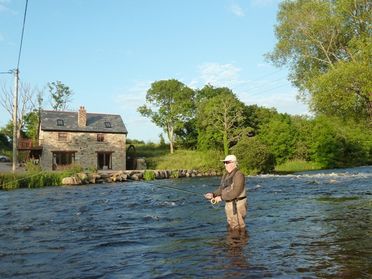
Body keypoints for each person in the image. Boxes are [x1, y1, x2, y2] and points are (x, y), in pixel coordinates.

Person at [204, 155, 247, 230]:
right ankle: (232, 241)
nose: (225, 165)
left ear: (233, 163)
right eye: (224, 163)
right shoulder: (226, 175)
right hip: (228, 204)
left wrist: (220, 198)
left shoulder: (239, 175)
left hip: (237, 204)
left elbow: (235, 192)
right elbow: (221, 188)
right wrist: (213, 194)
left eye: (227, 162)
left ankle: (241, 241)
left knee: (239, 226)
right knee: (231, 225)